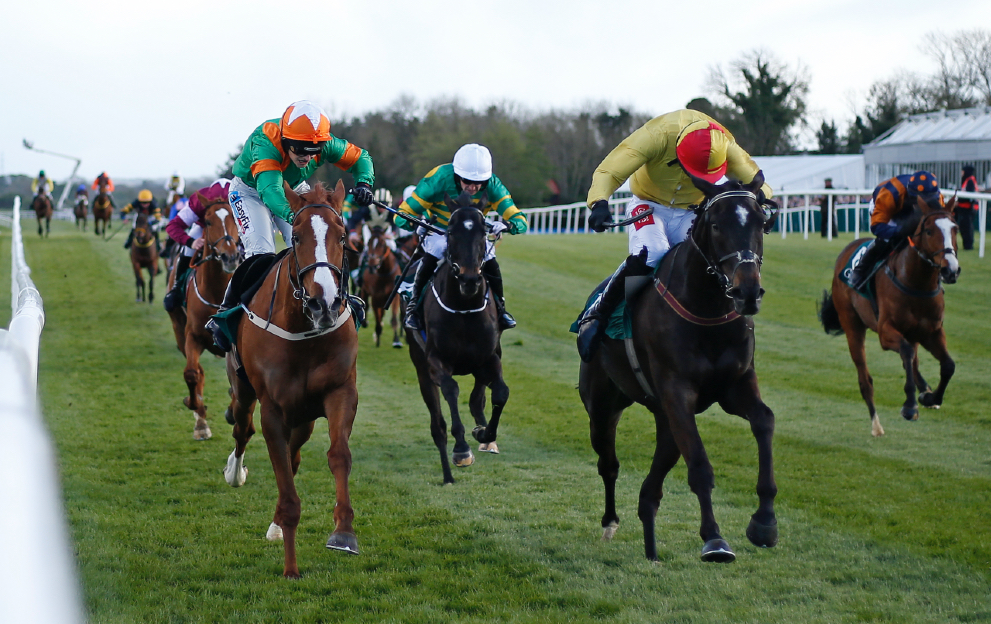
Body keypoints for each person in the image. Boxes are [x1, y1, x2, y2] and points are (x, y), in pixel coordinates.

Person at [575, 109, 774, 361]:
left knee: (703, 261)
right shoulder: (656, 135)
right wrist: (599, 201)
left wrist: (764, 201)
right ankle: (598, 312)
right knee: (653, 253)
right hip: (648, 204)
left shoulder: (724, 142)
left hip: (691, 210)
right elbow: (610, 170)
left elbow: (755, 180)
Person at [206, 100, 375, 350]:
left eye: (313, 151)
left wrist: (364, 184)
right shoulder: (265, 142)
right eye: (301, 151)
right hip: (252, 192)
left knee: (319, 245)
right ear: (286, 140)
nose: (307, 157)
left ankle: (342, 298)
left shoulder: (322, 143)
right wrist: (296, 216)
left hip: (294, 189)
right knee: (261, 253)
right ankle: (225, 313)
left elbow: (361, 158)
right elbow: (270, 191)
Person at [395, 143, 528, 332]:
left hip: (473, 232)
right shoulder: (438, 178)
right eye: (467, 181)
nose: (474, 187)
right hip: (440, 229)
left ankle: (501, 308)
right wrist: (414, 223)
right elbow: (402, 214)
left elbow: (520, 220)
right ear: (457, 176)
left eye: (479, 182)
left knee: (490, 259)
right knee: (435, 251)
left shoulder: (493, 185)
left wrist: (507, 225)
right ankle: (414, 309)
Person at [847, 171, 943, 290]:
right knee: (887, 240)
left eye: (926, 202)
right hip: (887, 207)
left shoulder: (938, 197)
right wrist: (900, 232)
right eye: (918, 201)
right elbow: (877, 227)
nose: (922, 205)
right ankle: (860, 271)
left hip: (905, 205)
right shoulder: (890, 193)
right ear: (910, 195)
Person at [162, 179, 232, 312]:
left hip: (234, 228)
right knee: (187, 249)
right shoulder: (199, 201)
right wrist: (190, 241)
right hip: (205, 227)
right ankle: (177, 288)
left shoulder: (242, 199)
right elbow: (173, 226)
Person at [957, 165, 979, 251]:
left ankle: (968, 246)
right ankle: (967, 245)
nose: (961, 173)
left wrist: (959, 200)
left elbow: (969, 196)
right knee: (965, 227)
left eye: (962, 171)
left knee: (967, 227)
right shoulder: (968, 180)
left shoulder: (970, 181)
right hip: (965, 208)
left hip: (968, 209)